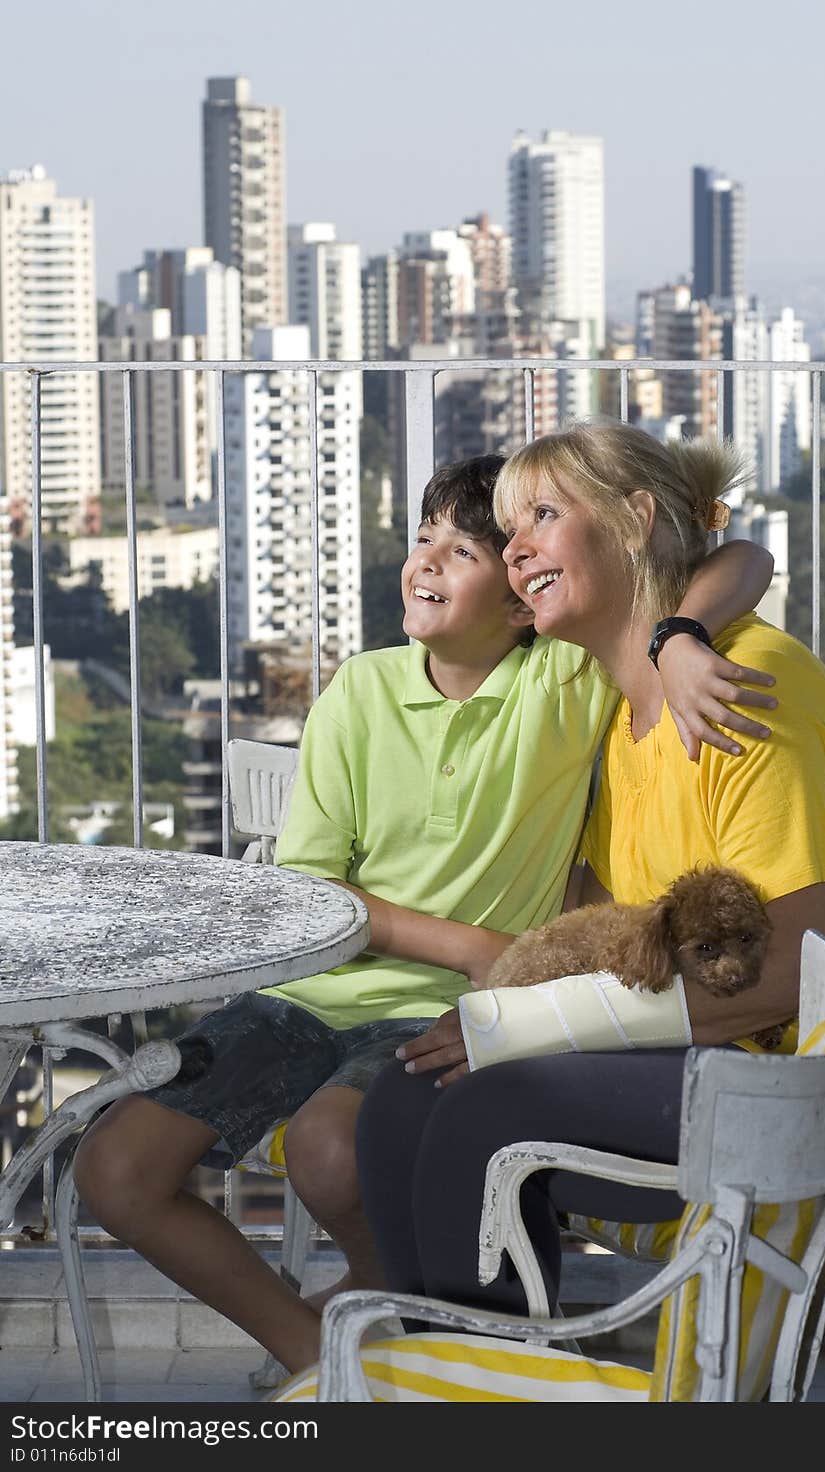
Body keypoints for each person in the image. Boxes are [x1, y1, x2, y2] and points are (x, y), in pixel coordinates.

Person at [73, 450, 774, 1375]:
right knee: (113, 1170)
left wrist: (680, 635)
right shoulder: (358, 695)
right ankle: (320, 1353)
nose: (428, 561)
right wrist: (479, 945)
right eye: (422, 538)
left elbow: (749, 560)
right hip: (313, 997)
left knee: (331, 1153)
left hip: (450, 1015)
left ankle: (389, 1320)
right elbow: (309, 898)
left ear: (522, 599)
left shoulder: (561, 684)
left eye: (464, 550)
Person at [356, 421, 825, 1322]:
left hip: (788, 1094)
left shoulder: (744, 692)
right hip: (699, 1055)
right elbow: (607, 929)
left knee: (483, 1111)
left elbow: (793, 974)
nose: (515, 548)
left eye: (542, 516)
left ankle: (492, 1372)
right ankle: (455, 1365)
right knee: (408, 1097)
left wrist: (524, 1029)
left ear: (636, 519)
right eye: (509, 531)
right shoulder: (621, 707)